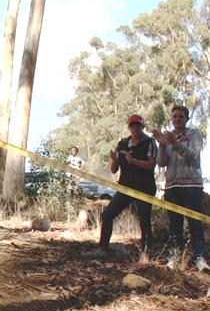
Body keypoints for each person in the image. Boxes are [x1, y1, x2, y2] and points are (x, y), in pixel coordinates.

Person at [84, 115, 157, 261]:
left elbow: (151, 165)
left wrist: (132, 160)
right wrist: (115, 160)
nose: (135, 128)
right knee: (108, 214)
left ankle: (146, 254)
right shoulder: (122, 144)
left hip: (144, 188)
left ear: (142, 127)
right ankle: (103, 248)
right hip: (126, 187)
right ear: (129, 127)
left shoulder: (149, 142)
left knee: (144, 221)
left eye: (138, 125)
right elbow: (113, 170)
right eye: (132, 125)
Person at [152, 105, 209, 271]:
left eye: (181, 116)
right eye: (174, 116)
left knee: (194, 222)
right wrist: (162, 145)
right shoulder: (168, 138)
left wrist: (175, 143)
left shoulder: (193, 135)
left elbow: (193, 154)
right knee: (175, 223)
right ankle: (175, 256)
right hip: (172, 186)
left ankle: (199, 257)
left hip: (191, 185)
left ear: (187, 119)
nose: (177, 119)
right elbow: (161, 162)